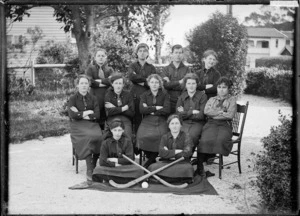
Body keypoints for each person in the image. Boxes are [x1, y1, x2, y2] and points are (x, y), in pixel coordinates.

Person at [196, 77, 237, 177]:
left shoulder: (232, 100)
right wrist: (221, 112)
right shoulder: (211, 99)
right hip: (211, 124)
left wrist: (214, 113)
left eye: (224, 87)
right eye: (219, 87)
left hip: (225, 125)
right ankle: (199, 165)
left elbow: (230, 115)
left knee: (221, 140)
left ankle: (211, 158)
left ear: (228, 89)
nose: (221, 89)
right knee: (204, 140)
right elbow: (206, 112)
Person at [68, 74, 103, 182]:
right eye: (81, 83)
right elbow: (72, 115)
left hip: (92, 124)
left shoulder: (93, 98)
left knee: (99, 137)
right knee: (87, 137)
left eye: (86, 83)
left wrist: (80, 113)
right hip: (78, 126)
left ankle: (94, 160)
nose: (84, 85)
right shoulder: (73, 99)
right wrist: (88, 112)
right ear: (77, 85)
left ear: (89, 86)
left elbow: (97, 115)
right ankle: (89, 167)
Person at [93, 119, 144, 183]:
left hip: (125, 168)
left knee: (139, 170)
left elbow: (130, 159)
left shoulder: (128, 142)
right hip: (111, 168)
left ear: (123, 130)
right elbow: (102, 162)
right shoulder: (105, 143)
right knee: (97, 170)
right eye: (115, 130)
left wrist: (114, 159)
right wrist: (115, 165)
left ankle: (112, 178)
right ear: (111, 130)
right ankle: (123, 179)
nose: (117, 133)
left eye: (119, 130)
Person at [136, 74, 171, 168]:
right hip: (147, 120)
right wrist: (156, 107)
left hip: (161, 120)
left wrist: (150, 110)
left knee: (162, 137)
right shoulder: (144, 95)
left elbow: (167, 109)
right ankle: (152, 159)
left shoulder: (165, 94)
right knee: (141, 136)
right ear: (148, 83)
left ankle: (149, 162)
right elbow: (142, 110)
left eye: (156, 82)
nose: (154, 84)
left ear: (160, 84)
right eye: (152, 82)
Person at [148, 115, 194, 184]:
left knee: (189, 169)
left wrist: (169, 153)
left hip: (182, 163)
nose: (174, 126)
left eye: (177, 123)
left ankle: (164, 179)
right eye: (172, 123)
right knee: (152, 167)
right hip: (166, 162)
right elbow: (161, 153)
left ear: (181, 125)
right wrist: (176, 151)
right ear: (169, 126)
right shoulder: (164, 137)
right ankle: (176, 179)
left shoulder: (187, 136)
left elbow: (187, 153)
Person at [128, 43, 157, 133]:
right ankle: (136, 143)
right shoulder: (132, 65)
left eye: (144, 51)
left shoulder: (151, 67)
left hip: (148, 96)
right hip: (135, 96)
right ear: (137, 53)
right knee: (136, 119)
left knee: (147, 119)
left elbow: (153, 83)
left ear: (147, 53)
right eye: (140, 51)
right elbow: (132, 77)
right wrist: (147, 80)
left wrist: (141, 81)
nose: (142, 53)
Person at [176, 73, 207, 149]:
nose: (191, 86)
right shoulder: (182, 96)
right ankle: (180, 158)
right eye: (189, 83)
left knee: (192, 136)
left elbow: (201, 115)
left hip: (198, 124)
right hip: (184, 123)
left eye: (193, 83)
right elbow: (178, 115)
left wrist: (184, 112)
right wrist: (192, 112)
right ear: (185, 85)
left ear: (197, 84)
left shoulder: (202, 96)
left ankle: (186, 158)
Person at [86, 48, 114, 129]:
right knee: (96, 116)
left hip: (107, 95)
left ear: (106, 57)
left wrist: (98, 81)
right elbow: (90, 81)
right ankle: (96, 134)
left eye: (103, 56)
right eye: (98, 56)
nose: (101, 57)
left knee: (106, 116)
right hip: (95, 96)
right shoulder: (90, 68)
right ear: (95, 57)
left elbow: (111, 81)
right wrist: (105, 82)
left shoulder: (110, 69)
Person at [161, 44, 191, 114]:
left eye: (180, 53)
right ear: (172, 54)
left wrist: (170, 84)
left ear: (182, 54)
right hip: (168, 100)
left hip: (182, 100)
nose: (178, 55)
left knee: (181, 121)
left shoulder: (187, 70)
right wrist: (180, 82)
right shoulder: (166, 69)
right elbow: (165, 85)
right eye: (176, 53)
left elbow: (187, 86)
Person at [104, 73, 134, 141]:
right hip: (112, 120)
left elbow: (131, 113)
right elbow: (108, 112)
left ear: (123, 85)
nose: (118, 86)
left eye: (120, 83)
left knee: (127, 137)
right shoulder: (108, 95)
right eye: (116, 83)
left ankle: (127, 151)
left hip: (125, 120)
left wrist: (114, 108)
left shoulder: (128, 95)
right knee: (110, 138)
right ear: (112, 84)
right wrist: (123, 108)